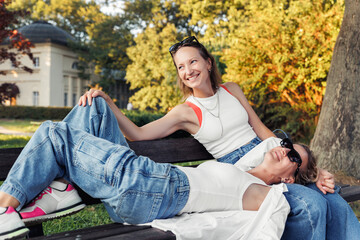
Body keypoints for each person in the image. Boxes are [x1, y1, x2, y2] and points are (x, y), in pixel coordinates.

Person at [6, 36, 360, 239]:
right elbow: (140, 134)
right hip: (239, 170)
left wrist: (310, 168)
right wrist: (110, 103)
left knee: (332, 200)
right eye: (181, 67)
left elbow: (263, 131)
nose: (188, 70)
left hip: (268, 159)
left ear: (207, 62)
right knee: (92, 109)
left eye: (193, 62)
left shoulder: (232, 90)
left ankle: (56, 188)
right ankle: (60, 187)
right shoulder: (185, 112)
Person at [0, 96, 313, 240]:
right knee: (95, 106)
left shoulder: (266, 194)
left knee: (54, 133)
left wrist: (319, 180)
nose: (283, 151)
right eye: (286, 145)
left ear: (290, 177)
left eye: (293, 158)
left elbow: (280, 216)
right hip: (146, 182)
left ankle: (4, 210)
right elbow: (265, 142)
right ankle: (62, 190)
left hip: (152, 185)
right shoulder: (245, 169)